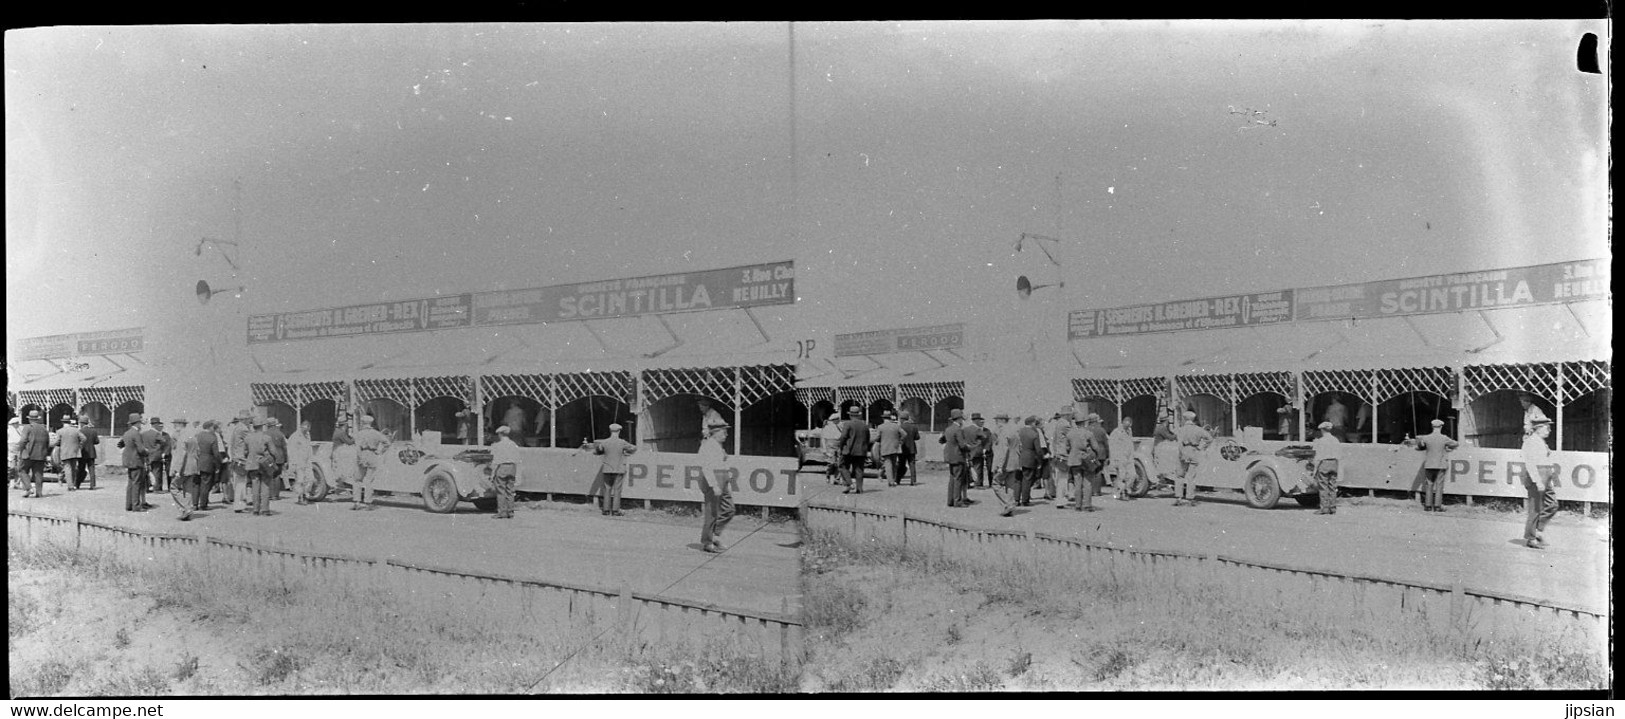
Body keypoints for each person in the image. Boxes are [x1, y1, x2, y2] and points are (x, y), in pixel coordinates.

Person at [695, 421, 735, 553]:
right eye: (724, 432)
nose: (726, 435)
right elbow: (707, 468)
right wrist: (714, 485)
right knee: (711, 513)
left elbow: (721, 463)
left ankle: (715, 535)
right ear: (716, 433)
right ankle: (707, 542)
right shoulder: (707, 446)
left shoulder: (718, 446)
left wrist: (726, 478)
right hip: (712, 481)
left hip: (722, 479)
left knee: (729, 509)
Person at [1520, 417, 1557, 550]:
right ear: (1539, 428)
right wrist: (1537, 481)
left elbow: (1545, 460)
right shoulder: (1530, 443)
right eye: (1547, 427)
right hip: (1536, 478)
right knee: (1535, 509)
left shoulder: (1541, 442)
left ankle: (1538, 531)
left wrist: (1549, 478)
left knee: (1552, 505)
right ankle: (1531, 538)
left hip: (1546, 476)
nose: (1549, 430)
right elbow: (1530, 463)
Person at [1407, 418, 1458, 513]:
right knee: (1439, 485)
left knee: (1429, 485)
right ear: (1441, 427)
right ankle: (1438, 506)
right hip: (1440, 465)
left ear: (1432, 427)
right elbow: (1455, 444)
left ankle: (1428, 506)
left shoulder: (1426, 438)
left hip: (1429, 464)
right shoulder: (1444, 438)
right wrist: (1447, 447)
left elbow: (1419, 447)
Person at [586, 422, 636, 516]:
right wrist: (626, 451)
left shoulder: (604, 442)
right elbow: (633, 448)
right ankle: (615, 510)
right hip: (619, 468)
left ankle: (605, 510)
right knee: (617, 489)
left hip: (607, 468)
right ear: (619, 431)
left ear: (610, 431)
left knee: (607, 489)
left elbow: (598, 451)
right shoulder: (622, 442)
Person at [1062, 413, 1103, 512]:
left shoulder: (1070, 433)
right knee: (1087, 483)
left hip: (1074, 460)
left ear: (1075, 423)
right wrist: (1096, 455)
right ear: (1084, 423)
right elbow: (1096, 447)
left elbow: (1067, 448)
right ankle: (1087, 505)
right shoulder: (1088, 433)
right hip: (1086, 460)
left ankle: (1078, 505)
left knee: (1077, 483)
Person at [1172, 410, 1211, 507]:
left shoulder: (1180, 429)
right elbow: (1209, 439)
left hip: (1183, 451)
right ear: (1193, 419)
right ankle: (1190, 498)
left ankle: (1179, 498)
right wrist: (1201, 447)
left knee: (1179, 475)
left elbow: (1178, 442)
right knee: (1191, 476)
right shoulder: (1198, 429)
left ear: (1185, 419)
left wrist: (1181, 452)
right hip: (1194, 451)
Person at [117, 413, 155, 511]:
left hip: (128, 461)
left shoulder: (127, 433)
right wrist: (147, 451)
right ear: (137, 423)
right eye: (140, 423)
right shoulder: (136, 434)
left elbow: (122, 445)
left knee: (130, 483)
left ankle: (129, 505)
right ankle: (136, 505)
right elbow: (141, 449)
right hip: (136, 461)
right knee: (137, 483)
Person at [353, 414, 389, 511]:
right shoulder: (376, 433)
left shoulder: (359, 434)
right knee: (369, 480)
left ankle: (357, 502)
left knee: (358, 480)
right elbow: (387, 443)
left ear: (363, 423)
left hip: (362, 454)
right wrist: (380, 451)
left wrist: (360, 458)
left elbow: (357, 447)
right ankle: (368, 502)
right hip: (373, 455)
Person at [939, 408, 973, 506]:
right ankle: (957, 501)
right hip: (958, 457)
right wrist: (969, 448)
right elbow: (962, 445)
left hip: (950, 457)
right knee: (958, 479)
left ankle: (950, 500)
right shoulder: (958, 430)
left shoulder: (948, 429)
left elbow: (942, 440)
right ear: (959, 419)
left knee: (952, 479)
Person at [243, 418, 276, 516]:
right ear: (262, 426)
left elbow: (245, 452)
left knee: (255, 486)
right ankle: (265, 509)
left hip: (252, 464)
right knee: (265, 486)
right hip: (264, 464)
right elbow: (273, 452)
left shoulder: (248, 438)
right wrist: (272, 459)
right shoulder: (267, 438)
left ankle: (255, 509)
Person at [838, 405, 873, 495]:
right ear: (859, 415)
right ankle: (859, 488)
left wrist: (841, 447)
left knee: (843, 466)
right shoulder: (865, 425)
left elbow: (843, 437)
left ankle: (850, 483)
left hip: (848, 450)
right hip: (861, 451)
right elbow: (868, 438)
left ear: (850, 415)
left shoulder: (848, 424)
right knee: (859, 469)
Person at [491, 425, 523, 519]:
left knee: (501, 490)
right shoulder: (513, 444)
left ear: (500, 434)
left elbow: (496, 460)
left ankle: (502, 512)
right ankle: (511, 512)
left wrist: (493, 473)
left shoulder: (498, 445)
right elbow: (518, 458)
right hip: (512, 467)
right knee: (510, 490)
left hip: (502, 467)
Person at [18, 410, 52, 498]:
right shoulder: (44, 428)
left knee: (22, 470)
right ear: (37, 419)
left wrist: (21, 450)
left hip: (28, 454)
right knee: (38, 473)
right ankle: (39, 493)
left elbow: (23, 441)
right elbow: (47, 442)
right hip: (41, 454)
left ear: (29, 419)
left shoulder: (27, 427)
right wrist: (45, 452)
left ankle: (28, 488)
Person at [1311, 421, 1341, 515]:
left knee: (1323, 486)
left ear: (1322, 430)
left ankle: (1324, 508)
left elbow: (1318, 456)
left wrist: (1315, 469)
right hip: (1334, 463)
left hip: (1324, 463)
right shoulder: (1336, 440)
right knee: (1332, 486)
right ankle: (1333, 508)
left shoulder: (1321, 441)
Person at [989, 413, 1016, 516]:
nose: (996, 422)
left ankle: (1009, 504)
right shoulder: (1013, 430)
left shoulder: (1002, 432)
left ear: (1001, 420)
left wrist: (1000, 465)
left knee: (996, 484)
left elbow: (1003, 449)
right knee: (1010, 485)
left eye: (997, 420)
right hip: (1013, 462)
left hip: (1004, 463)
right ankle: (1008, 508)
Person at [192, 420, 223, 511]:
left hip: (196, 462)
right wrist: (218, 465)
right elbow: (216, 453)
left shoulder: (197, 435)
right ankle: (203, 504)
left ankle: (194, 504)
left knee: (196, 484)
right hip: (208, 463)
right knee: (205, 484)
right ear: (210, 427)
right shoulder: (212, 437)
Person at [1044, 407, 1073, 501]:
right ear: (1067, 415)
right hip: (1064, 454)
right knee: (1063, 478)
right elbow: (1072, 437)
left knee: (1060, 477)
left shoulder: (1058, 423)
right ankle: (1061, 499)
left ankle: (1061, 497)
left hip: (1058, 453)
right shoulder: (1065, 424)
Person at [1014, 416, 1044, 507]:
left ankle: (1016, 499)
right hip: (1029, 458)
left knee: (1018, 480)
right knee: (1027, 479)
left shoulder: (1018, 431)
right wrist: (1040, 460)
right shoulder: (1034, 433)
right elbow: (1038, 450)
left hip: (1018, 457)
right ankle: (1025, 500)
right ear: (1033, 423)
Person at [288, 419, 316, 505]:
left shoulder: (307, 435)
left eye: (308, 428)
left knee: (310, 479)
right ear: (301, 426)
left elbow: (309, 447)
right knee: (300, 480)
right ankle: (300, 497)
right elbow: (290, 450)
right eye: (305, 427)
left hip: (307, 461)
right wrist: (293, 463)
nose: (307, 429)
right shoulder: (295, 436)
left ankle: (306, 494)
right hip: (298, 461)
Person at [1108, 417, 1136, 501]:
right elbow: (1112, 445)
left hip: (1129, 457)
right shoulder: (1116, 432)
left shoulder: (1129, 431)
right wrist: (1114, 458)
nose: (1128, 426)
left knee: (1132, 475)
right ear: (1123, 423)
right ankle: (1123, 493)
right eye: (1127, 424)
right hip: (1120, 457)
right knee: (1121, 476)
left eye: (1130, 424)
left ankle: (1127, 489)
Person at [54, 415, 84, 493]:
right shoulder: (76, 430)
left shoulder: (60, 431)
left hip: (65, 452)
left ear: (63, 422)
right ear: (69, 422)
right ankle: (73, 484)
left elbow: (57, 442)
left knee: (67, 468)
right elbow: (84, 438)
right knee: (74, 468)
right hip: (75, 451)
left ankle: (70, 486)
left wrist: (57, 444)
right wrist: (79, 445)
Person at [330, 413, 358, 497]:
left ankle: (339, 488)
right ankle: (339, 489)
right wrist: (355, 438)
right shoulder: (341, 432)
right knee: (341, 471)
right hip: (339, 453)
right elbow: (349, 442)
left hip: (337, 452)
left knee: (339, 471)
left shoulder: (337, 431)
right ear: (345, 425)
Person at [877, 412, 904, 487]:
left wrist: (879, 440)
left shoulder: (880, 427)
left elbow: (877, 437)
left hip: (885, 447)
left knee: (888, 464)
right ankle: (894, 480)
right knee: (894, 464)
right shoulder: (896, 426)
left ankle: (890, 481)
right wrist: (900, 440)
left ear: (883, 418)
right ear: (890, 418)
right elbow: (904, 434)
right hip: (895, 447)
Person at [266, 418, 289, 499]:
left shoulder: (265, 434)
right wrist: (286, 459)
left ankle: (270, 495)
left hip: (269, 458)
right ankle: (276, 495)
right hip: (280, 457)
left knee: (270, 476)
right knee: (277, 476)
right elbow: (284, 447)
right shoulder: (280, 434)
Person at [145, 417, 170, 493]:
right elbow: (164, 441)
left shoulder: (145, 434)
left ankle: (147, 488)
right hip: (156, 455)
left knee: (148, 472)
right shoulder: (157, 434)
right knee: (157, 472)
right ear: (156, 424)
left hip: (148, 455)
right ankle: (157, 488)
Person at [78, 413, 102, 491]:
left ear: (81, 423)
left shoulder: (80, 431)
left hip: (83, 452)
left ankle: (77, 484)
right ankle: (92, 485)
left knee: (81, 469)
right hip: (92, 452)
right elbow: (97, 441)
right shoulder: (93, 431)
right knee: (91, 469)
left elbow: (78, 442)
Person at [897, 410, 920, 486]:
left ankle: (898, 480)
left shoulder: (900, 427)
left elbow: (898, 437)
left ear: (902, 419)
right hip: (912, 448)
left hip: (903, 448)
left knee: (901, 464)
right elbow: (917, 437)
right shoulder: (914, 427)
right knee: (912, 465)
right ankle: (913, 480)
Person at [818, 413, 843, 485]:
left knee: (839, 463)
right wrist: (824, 449)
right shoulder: (827, 428)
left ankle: (837, 479)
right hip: (830, 446)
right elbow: (823, 439)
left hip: (838, 446)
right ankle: (828, 475)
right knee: (831, 463)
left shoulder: (840, 426)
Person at [7, 416, 22, 489]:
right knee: (15, 465)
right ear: (14, 424)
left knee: (14, 465)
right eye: (17, 423)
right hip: (13, 448)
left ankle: (14, 482)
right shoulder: (13, 430)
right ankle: (15, 482)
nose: (18, 424)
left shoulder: (15, 430)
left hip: (14, 448)